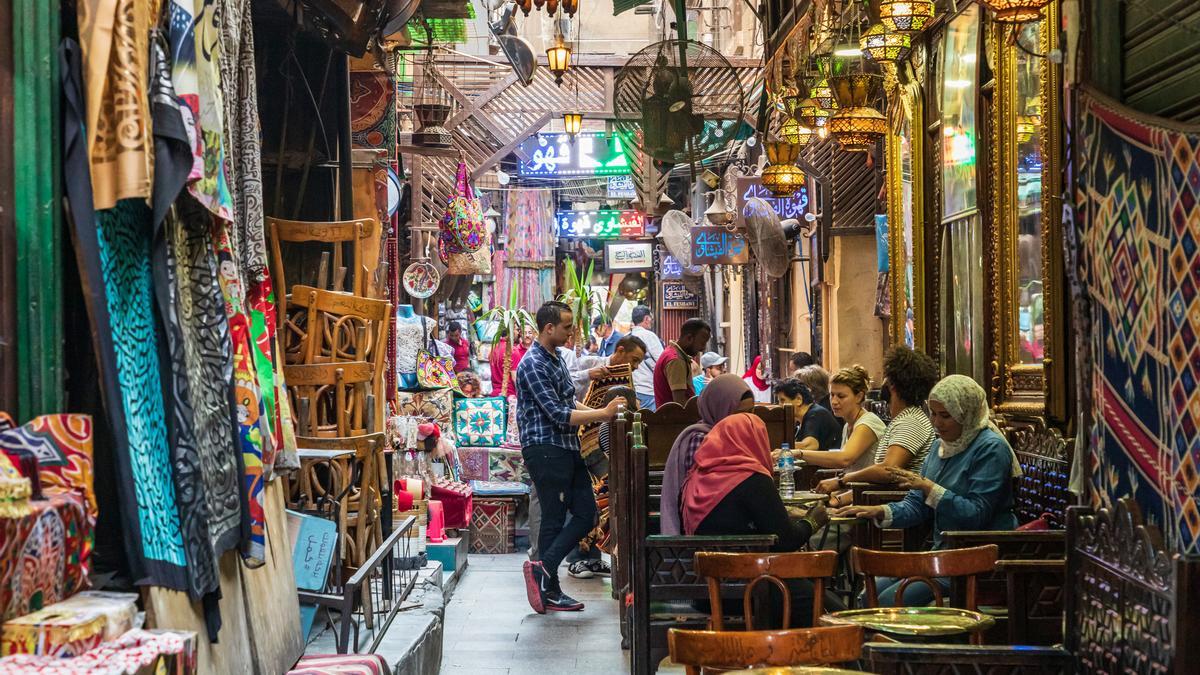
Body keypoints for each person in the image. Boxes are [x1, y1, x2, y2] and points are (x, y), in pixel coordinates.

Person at [834, 375, 1021, 606]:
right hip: (942, 553)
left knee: (889, 600)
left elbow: (976, 514)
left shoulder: (991, 449)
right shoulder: (939, 446)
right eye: (933, 413)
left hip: (974, 558)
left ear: (967, 414)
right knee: (868, 594)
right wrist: (879, 511)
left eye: (945, 416)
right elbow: (917, 504)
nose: (936, 423)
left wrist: (929, 487)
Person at [682, 391, 834, 627]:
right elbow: (786, 540)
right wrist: (813, 520)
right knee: (825, 604)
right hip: (750, 587)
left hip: (705, 588)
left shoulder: (699, 475)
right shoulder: (751, 478)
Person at [517, 301, 624, 614]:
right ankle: (548, 585)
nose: (571, 332)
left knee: (586, 513)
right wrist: (602, 412)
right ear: (548, 328)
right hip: (545, 448)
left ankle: (544, 572)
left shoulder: (555, 358)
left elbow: (571, 401)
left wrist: (602, 415)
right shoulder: (533, 363)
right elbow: (556, 412)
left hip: (565, 446)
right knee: (553, 516)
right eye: (566, 326)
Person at [813, 347, 938, 503]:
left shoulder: (911, 422)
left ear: (892, 384)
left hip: (897, 510)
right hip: (878, 501)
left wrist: (842, 481)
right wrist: (839, 499)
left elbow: (888, 470)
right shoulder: (903, 419)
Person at [660, 374, 754, 535]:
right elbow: (707, 496)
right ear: (720, 409)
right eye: (739, 413)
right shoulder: (701, 439)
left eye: (751, 411)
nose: (747, 418)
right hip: (703, 530)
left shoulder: (739, 436)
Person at [567, 385, 639, 580]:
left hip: (620, 480)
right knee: (595, 502)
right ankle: (583, 558)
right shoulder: (623, 425)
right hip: (621, 481)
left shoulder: (616, 425)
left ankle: (589, 557)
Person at [789, 366, 886, 478]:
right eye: (832, 395)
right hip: (851, 488)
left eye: (841, 396)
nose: (834, 401)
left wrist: (799, 453)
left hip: (864, 491)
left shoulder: (867, 423)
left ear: (859, 397)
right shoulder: (848, 425)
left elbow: (844, 459)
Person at [653, 318, 711, 408]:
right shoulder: (676, 360)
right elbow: (680, 404)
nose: (703, 348)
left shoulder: (671, 353)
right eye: (702, 343)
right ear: (689, 338)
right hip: (675, 419)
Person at [775, 378, 841, 452]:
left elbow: (810, 445)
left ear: (798, 399)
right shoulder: (799, 420)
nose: (780, 405)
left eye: (782, 400)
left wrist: (776, 445)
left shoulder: (816, 414)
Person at [629, 306, 663, 411]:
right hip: (649, 389)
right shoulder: (649, 336)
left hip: (633, 389)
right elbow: (662, 360)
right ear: (646, 319)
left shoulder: (627, 337)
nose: (651, 321)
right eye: (651, 319)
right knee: (651, 423)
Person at [490, 326, 533, 397]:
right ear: (511, 331)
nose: (517, 333)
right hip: (509, 396)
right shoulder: (512, 350)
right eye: (516, 330)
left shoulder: (493, 349)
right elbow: (515, 379)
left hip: (496, 395)